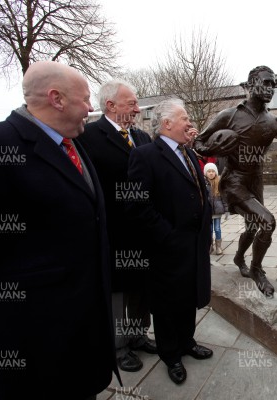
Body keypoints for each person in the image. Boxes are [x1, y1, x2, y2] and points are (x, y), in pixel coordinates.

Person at [0, 61, 118, 400]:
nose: (90, 108)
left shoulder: (73, 144)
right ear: (56, 98)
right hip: (34, 343)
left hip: (84, 335)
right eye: (85, 99)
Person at [194, 65, 277, 297]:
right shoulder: (230, 115)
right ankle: (257, 270)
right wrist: (214, 148)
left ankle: (239, 258)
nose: (270, 89)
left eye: (273, 85)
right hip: (234, 180)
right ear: (251, 85)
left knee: (253, 225)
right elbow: (198, 143)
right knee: (268, 221)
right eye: (265, 83)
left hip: (255, 181)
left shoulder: (275, 121)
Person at [125, 98, 213, 385]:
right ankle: (170, 354)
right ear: (166, 124)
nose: (189, 122)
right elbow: (138, 206)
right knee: (166, 304)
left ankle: (187, 342)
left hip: (194, 244)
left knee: (188, 298)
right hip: (167, 248)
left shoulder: (187, 152)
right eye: (184, 118)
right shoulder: (145, 155)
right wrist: (168, 236)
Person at [77, 80, 156, 373]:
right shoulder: (88, 137)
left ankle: (138, 335)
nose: (137, 109)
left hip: (143, 232)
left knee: (140, 289)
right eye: (131, 103)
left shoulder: (143, 137)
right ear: (110, 106)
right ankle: (118, 347)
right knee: (117, 294)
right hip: (113, 234)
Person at [204, 162, 228, 255]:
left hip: (217, 211)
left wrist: (227, 210)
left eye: (213, 171)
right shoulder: (204, 183)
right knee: (209, 229)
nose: (211, 173)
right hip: (208, 211)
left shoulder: (219, 183)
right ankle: (210, 245)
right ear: (206, 173)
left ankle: (218, 246)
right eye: (209, 171)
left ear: (216, 172)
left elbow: (224, 198)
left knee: (217, 228)